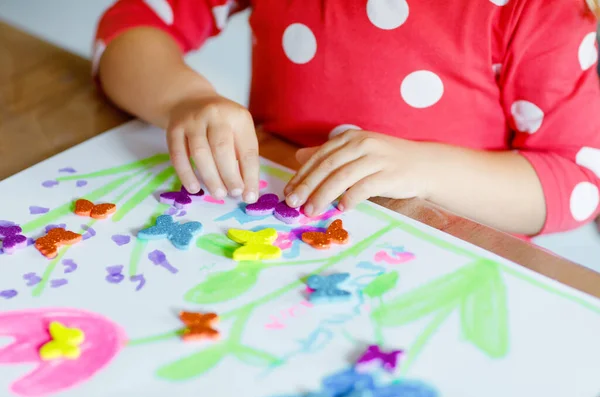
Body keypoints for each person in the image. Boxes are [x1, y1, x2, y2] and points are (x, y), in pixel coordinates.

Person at [94, 0, 600, 237]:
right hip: (276, 223)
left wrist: (423, 169)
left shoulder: (542, 8)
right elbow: (129, 28)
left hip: (446, 253)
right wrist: (183, 99)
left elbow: (576, 182)